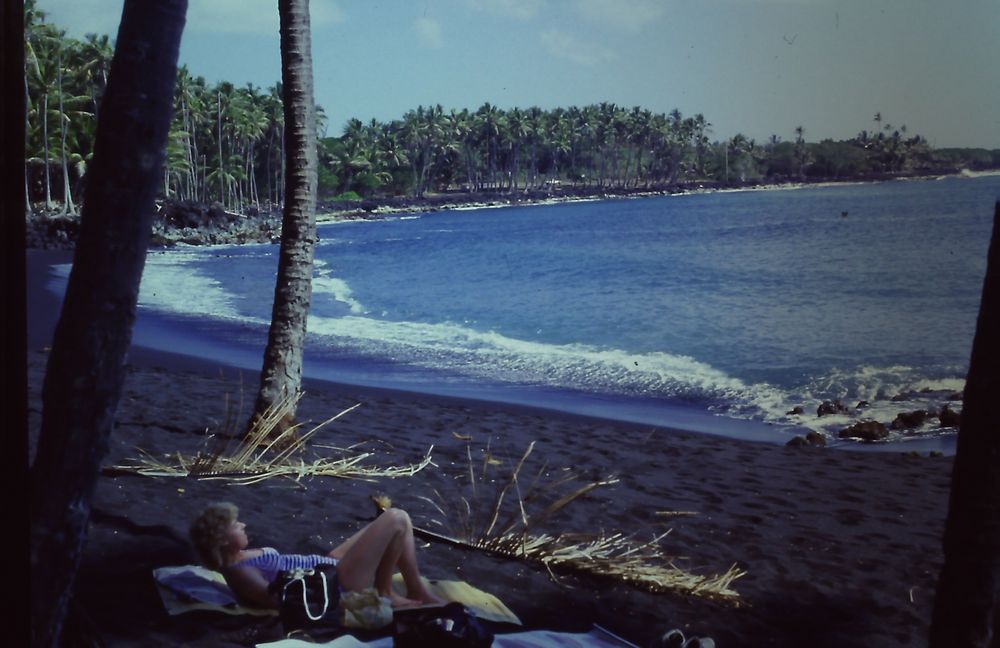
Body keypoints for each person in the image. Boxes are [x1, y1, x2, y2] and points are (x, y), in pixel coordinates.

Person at [190, 501, 444, 610]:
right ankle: (386, 591)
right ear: (222, 540)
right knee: (396, 518)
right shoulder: (240, 571)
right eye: (236, 525)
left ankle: (414, 589)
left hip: (327, 566)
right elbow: (276, 601)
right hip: (335, 584)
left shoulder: (239, 556)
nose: (243, 524)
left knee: (398, 521)